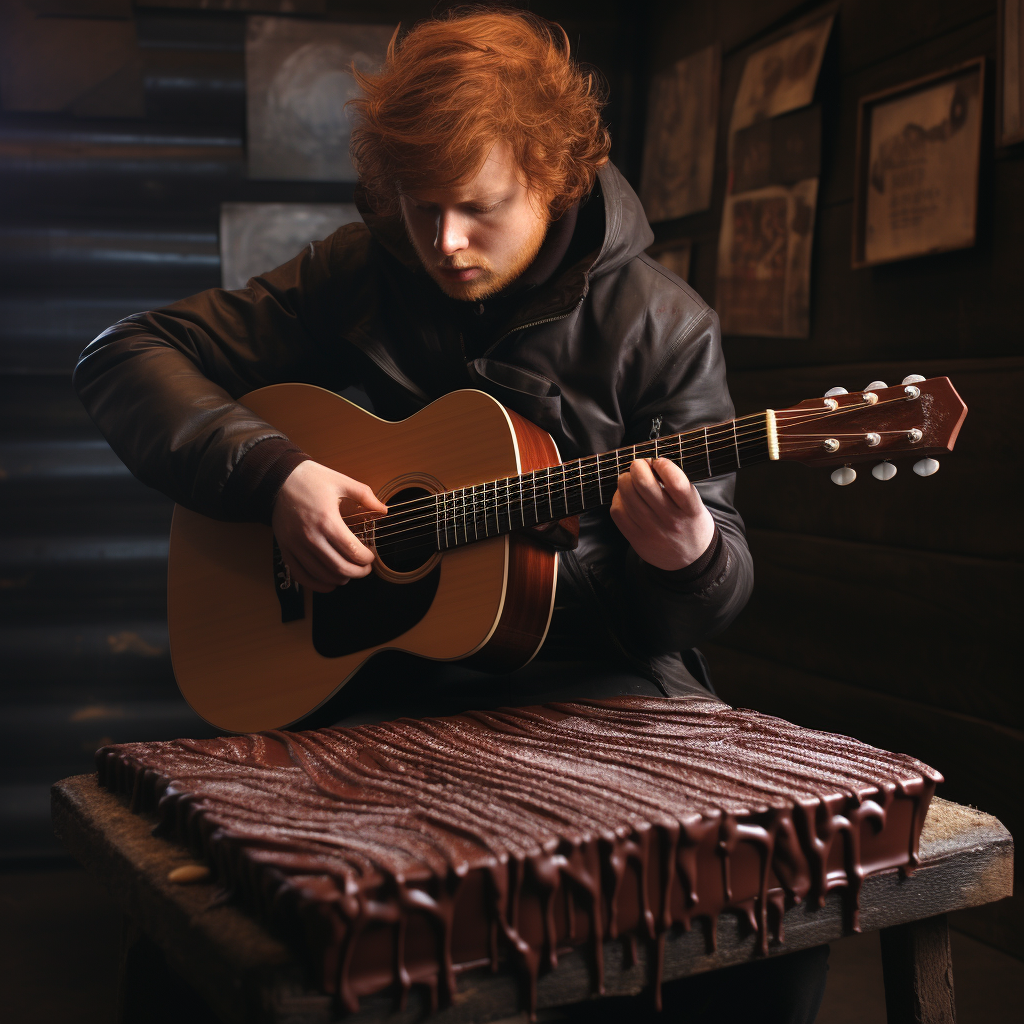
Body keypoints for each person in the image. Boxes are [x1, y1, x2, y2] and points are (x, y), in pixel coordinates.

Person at [74, 11, 825, 1018]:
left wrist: (687, 557)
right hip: (375, 677)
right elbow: (121, 357)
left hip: (595, 682)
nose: (443, 242)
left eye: (478, 207)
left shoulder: (663, 324)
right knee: (210, 935)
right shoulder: (356, 270)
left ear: (552, 176)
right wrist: (276, 475)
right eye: (420, 208)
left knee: (772, 889)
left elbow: (707, 595)